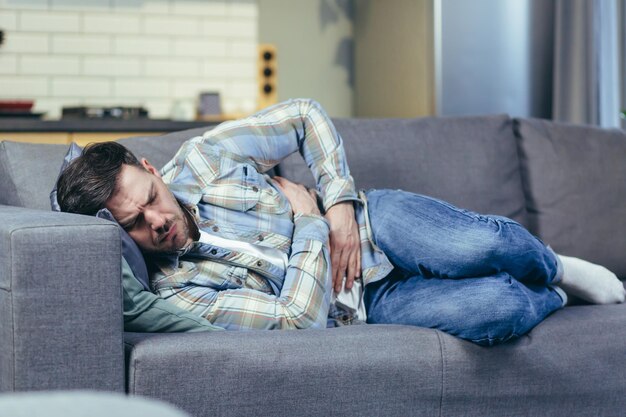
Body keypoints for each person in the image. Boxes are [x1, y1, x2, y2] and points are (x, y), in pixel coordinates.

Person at [56, 98, 626, 346]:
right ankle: (550, 293)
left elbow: (304, 114)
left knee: (477, 246)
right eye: (134, 224)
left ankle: (557, 265)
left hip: (377, 223)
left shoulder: (205, 159)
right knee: (494, 311)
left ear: (150, 167)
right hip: (359, 307)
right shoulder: (177, 291)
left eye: (151, 196)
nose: (157, 220)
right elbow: (299, 325)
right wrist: (307, 224)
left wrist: (336, 206)